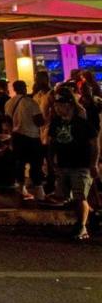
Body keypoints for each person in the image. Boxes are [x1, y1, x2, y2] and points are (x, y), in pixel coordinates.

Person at [49, 88, 101, 240]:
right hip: (63, 165)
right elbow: (52, 142)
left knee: (80, 197)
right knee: (66, 198)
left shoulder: (82, 123)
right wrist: (51, 160)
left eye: (60, 105)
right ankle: (90, 216)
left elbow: (94, 143)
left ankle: (82, 227)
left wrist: (94, 163)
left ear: (69, 105)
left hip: (81, 165)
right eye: (56, 105)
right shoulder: (56, 122)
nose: (57, 108)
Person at [5, 80, 46, 202]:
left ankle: (22, 188)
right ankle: (39, 190)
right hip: (32, 137)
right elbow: (39, 121)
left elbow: (8, 121)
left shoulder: (9, 103)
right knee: (36, 164)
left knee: (20, 163)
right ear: (23, 88)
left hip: (17, 136)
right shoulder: (31, 103)